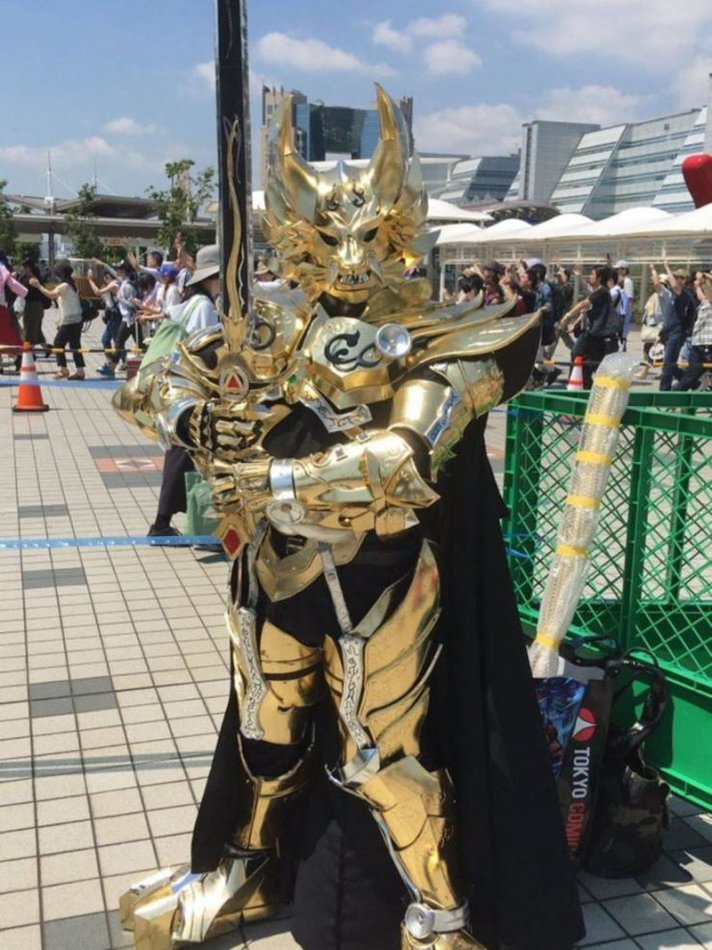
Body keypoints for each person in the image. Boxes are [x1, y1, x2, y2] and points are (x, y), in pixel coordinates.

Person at [114, 90, 583, 950]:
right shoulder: (269, 326)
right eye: (333, 240)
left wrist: (271, 475)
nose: (354, 257)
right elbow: (149, 379)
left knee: (380, 757)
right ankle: (247, 867)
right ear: (300, 240)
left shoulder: (439, 331)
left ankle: (441, 915)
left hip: (386, 576)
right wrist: (196, 419)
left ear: (401, 232)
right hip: (276, 568)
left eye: (371, 236)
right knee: (266, 728)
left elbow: (407, 459)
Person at [145, 247, 221, 539]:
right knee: (185, 451)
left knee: (183, 451)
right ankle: (163, 523)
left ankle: (173, 521)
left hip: (177, 389)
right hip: (192, 389)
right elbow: (205, 349)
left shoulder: (191, 302)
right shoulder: (204, 306)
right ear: (215, 276)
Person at [562, 265, 619, 388]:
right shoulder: (598, 292)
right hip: (593, 333)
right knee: (580, 356)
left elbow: (583, 304)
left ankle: (582, 384)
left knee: (582, 356)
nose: (591, 276)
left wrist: (568, 316)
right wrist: (575, 324)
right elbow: (586, 310)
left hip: (599, 334)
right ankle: (582, 384)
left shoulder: (603, 291)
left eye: (593, 274)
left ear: (599, 278)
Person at [30, 262, 85, 380]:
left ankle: (63, 370)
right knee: (75, 346)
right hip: (77, 320)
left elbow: (51, 295)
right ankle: (80, 371)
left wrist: (39, 286)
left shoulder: (64, 286)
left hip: (69, 321)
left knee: (58, 344)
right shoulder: (73, 284)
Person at [651, 261, 696, 390]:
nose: (674, 279)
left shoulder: (685, 294)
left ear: (684, 280)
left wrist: (667, 267)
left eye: (678, 277)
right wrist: (653, 269)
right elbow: (657, 285)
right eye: (674, 277)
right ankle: (693, 383)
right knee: (670, 364)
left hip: (677, 332)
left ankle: (664, 392)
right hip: (669, 331)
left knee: (668, 364)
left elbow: (675, 286)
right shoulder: (672, 295)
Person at [673, 272, 712, 390]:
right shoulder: (705, 302)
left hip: (710, 345)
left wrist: (705, 278)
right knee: (689, 378)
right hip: (699, 345)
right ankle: (675, 396)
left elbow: (709, 292)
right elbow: (702, 296)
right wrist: (698, 285)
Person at [0, 251, 26, 368]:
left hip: (4, 305)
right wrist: (25, 293)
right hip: (3, 306)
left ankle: (18, 355)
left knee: (6, 334)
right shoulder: (4, 268)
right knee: (8, 334)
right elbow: (14, 285)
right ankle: (19, 355)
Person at [18, 259, 49, 352]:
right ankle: (48, 349)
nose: (20, 269)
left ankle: (28, 353)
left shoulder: (33, 280)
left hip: (33, 307)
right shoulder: (25, 277)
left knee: (29, 331)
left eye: (22, 267)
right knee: (36, 331)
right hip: (33, 306)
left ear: (28, 268)